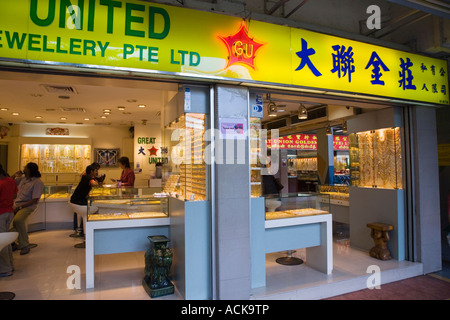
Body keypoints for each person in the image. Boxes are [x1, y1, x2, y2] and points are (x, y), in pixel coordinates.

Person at [10, 162, 44, 255]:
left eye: (26, 167)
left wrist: (20, 207)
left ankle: (24, 245)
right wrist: (15, 174)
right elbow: (10, 181)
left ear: (29, 170)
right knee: (6, 221)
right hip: (16, 204)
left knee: (18, 220)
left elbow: (34, 200)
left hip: (27, 206)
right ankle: (12, 243)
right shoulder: (23, 179)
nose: (24, 169)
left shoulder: (37, 182)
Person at [69, 164, 99, 248]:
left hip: (75, 201)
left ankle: (86, 237)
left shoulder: (85, 177)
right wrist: (98, 182)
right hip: (77, 203)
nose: (97, 172)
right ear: (91, 171)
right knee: (95, 209)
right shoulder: (88, 177)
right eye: (95, 170)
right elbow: (94, 184)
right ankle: (87, 239)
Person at [0, 164, 18, 276]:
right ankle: (10, 264)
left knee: (2, 240)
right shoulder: (10, 181)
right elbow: (15, 195)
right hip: (9, 211)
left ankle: (5, 268)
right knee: (5, 240)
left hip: (1, 213)